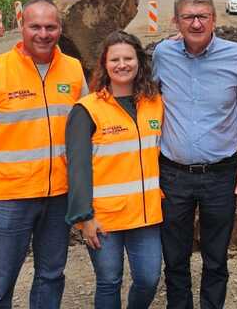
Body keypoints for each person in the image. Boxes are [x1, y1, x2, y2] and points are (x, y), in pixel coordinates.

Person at [0, 0, 87, 309]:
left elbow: (86, 129)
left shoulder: (73, 69)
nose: (43, 34)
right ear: (21, 27)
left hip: (58, 197)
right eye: (35, 26)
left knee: (51, 276)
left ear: (60, 29)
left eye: (51, 27)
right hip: (8, 199)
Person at [152, 0, 237, 309]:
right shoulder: (162, 54)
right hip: (173, 174)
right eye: (188, 17)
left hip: (220, 175)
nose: (196, 23)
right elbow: (149, 101)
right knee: (175, 257)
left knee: (215, 258)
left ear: (214, 19)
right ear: (175, 21)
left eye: (203, 17)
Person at [66, 31, 164, 309]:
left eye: (128, 58)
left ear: (139, 62)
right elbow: (77, 168)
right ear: (105, 65)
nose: (122, 65)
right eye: (115, 59)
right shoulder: (87, 110)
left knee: (148, 279)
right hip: (104, 218)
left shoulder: (155, 103)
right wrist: (85, 217)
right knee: (109, 281)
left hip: (145, 216)